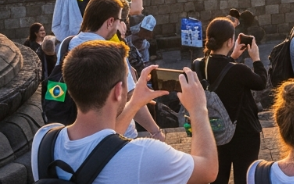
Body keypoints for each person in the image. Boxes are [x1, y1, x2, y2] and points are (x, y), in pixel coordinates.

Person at [31, 40, 218, 183]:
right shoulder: (145, 155)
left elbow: (102, 147)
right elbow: (208, 169)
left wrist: (135, 102)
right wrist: (198, 109)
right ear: (118, 91)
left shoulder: (44, 140)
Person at [53, 0, 163, 141]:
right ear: (110, 21)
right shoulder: (114, 52)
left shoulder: (66, 45)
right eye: (120, 20)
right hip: (117, 134)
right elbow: (130, 96)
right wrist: (155, 131)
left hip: (78, 131)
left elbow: (56, 85)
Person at [198, 17, 268, 184]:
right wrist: (256, 59)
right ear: (230, 41)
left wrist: (234, 55)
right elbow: (261, 82)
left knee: (218, 177)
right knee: (243, 178)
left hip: (217, 130)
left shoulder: (202, 64)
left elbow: (223, 68)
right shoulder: (240, 70)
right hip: (243, 132)